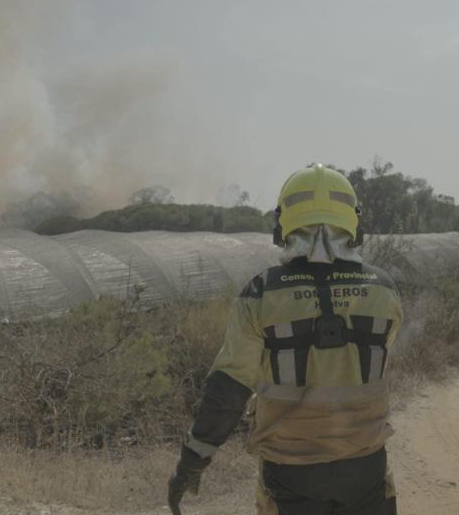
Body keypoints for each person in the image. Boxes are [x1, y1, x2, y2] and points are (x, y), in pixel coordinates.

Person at [168, 164, 404, 515]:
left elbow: (229, 388)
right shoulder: (384, 290)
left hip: (290, 477)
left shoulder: (262, 293)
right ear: (352, 220)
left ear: (284, 222)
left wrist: (193, 460)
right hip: (367, 470)